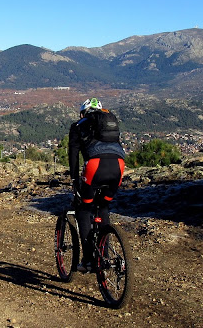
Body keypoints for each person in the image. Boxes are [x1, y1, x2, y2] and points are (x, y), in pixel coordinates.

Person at [68, 98, 125, 273]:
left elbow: (73, 156)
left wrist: (74, 180)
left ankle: (87, 261)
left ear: (82, 113)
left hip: (95, 166)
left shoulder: (78, 126)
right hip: (119, 166)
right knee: (103, 206)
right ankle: (105, 256)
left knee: (84, 208)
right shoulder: (109, 125)